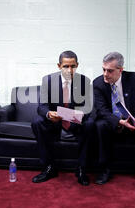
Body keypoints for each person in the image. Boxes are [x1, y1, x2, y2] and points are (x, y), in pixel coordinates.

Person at [93, 52, 135, 196]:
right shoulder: (98, 83)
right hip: (114, 123)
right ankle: (105, 169)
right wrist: (119, 121)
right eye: (103, 69)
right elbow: (102, 110)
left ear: (120, 70)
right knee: (100, 125)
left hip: (134, 123)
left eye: (110, 71)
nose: (105, 74)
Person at [31, 50, 94, 186]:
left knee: (90, 124)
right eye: (66, 66)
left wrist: (71, 115)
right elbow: (41, 106)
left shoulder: (84, 81)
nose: (69, 70)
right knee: (37, 122)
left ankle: (82, 169)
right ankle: (49, 167)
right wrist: (49, 114)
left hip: (75, 121)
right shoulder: (47, 80)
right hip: (55, 121)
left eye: (73, 66)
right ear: (59, 66)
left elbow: (88, 108)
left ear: (77, 65)